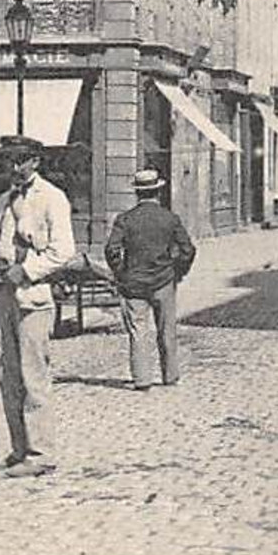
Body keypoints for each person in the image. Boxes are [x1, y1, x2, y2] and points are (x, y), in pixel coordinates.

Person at [0, 135, 75, 478]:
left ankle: (41, 454)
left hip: (34, 299)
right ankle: (18, 449)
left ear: (35, 161)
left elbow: (63, 251)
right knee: (9, 377)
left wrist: (28, 270)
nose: (14, 167)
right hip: (5, 296)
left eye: (21, 160)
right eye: (9, 161)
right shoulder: (4, 200)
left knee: (33, 376)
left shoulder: (52, 198)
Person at [104, 168, 197, 392]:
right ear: (158, 192)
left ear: (137, 193)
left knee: (138, 332)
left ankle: (142, 379)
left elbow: (111, 250)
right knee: (166, 330)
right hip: (164, 281)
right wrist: (178, 272)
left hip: (133, 284)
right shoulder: (169, 219)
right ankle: (170, 375)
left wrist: (120, 273)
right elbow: (188, 249)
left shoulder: (125, 220)